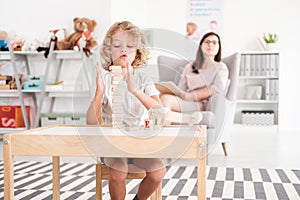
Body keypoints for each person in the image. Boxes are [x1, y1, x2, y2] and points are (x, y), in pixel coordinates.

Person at [86, 21, 166, 200]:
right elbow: (91, 122)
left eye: (130, 46)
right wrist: (99, 93)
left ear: (137, 51)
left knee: (158, 172)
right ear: (109, 50)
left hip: (138, 143)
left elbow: (159, 110)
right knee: (118, 172)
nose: (124, 49)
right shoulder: (104, 79)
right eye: (117, 45)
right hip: (111, 145)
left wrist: (135, 90)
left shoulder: (143, 77)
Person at [161, 31, 229, 113]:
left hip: (200, 103)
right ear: (201, 46)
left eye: (214, 43)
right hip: (185, 101)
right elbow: (181, 89)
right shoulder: (189, 67)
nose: (210, 45)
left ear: (219, 48)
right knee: (160, 97)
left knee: (166, 100)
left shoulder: (221, 67)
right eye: (207, 42)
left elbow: (217, 89)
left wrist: (191, 96)